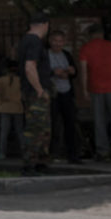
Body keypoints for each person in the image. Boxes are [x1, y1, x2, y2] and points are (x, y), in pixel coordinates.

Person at [78, 23, 111, 161]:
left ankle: (102, 151)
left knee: (99, 119)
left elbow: (84, 72)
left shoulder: (85, 48)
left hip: (95, 88)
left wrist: (85, 90)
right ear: (102, 34)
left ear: (90, 35)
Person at [17, 12, 53, 177]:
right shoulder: (34, 41)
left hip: (30, 91)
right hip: (35, 92)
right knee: (36, 128)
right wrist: (39, 89)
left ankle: (40, 162)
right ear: (45, 25)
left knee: (42, 128)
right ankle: (30, 164)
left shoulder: (26, 40)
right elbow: (29, 67)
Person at [47, 29, 81, 164]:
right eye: (55, 41)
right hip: (52, 93)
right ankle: (51, 153)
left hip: (66, 92)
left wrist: (71, 72)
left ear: (64, 42)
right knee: (53, 124)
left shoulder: (66, 54)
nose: (57, 44)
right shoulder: (45, 54)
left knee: (70, 123)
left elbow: (75, 71)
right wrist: (53, 72)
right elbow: (41, 72)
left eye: (60, 41)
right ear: (50, 41)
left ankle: (73, 155)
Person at [0, 62, 24, 159]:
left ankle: (2, 153)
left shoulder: (1, 80)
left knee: (4, 132)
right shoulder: (20, 80)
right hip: (17, 107)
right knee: (19, 131)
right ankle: (25, 152)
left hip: (4, 107)